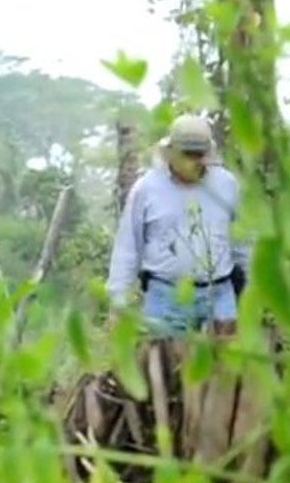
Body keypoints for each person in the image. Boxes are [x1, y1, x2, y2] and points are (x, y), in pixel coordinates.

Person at [106, 114, 250, 334]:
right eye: (188, 154)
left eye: (199, 155)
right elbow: (128, 247)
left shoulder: (226, 185)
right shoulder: (147, 189)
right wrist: (118, 302)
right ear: (171, 152)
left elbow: (243, 243)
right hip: (165, 297)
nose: (195, 161)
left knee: (226, 356)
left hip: (219, 294)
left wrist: (254, 290)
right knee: (166, 356)